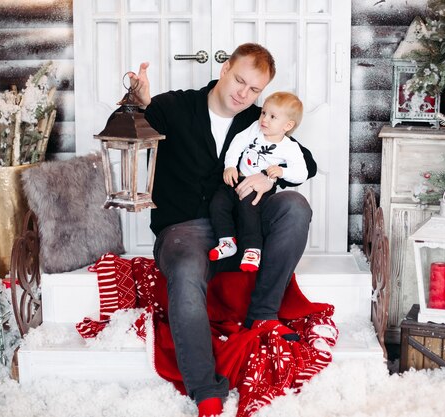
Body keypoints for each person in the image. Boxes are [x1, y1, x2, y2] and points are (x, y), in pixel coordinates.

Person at [128, 43, 317, 417]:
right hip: (184, 230)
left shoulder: (258, 121)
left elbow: (305, 161)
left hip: (241, 224)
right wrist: (137, 104)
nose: (243, 95)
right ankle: (205, 391)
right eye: (239, 81)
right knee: (183, 269)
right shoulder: (173, 107)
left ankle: (263, 315)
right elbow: (130, 133)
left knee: (295, 207)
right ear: (226, 68)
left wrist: (268, 175)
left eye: (254, 90)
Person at [208, 91, 307, 273]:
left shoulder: (290, 147)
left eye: (272, 117)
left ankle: (253, 249)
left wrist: (282, 172)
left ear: (288, 125)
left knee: (249, 209)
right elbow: (237, 143)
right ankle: (227, 241)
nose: (264, 119)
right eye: (263, 113)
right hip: (239, 178)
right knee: (218, 203)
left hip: (259, 189)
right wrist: (230, 166)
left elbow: (302, 172)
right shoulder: (255, 129)